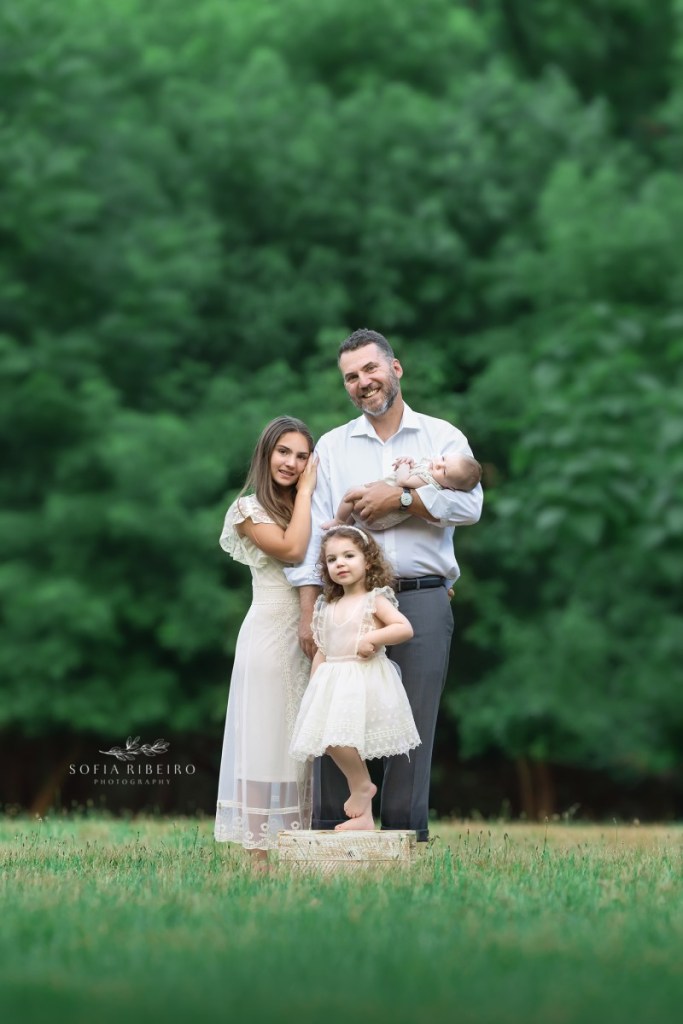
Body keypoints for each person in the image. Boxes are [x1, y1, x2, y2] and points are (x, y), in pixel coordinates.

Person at [285, 328, 483, 842]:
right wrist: (309, 615)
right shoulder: (333, 444)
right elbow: (313, 539)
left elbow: (471, 505)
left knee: (412, 727)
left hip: (421, 596)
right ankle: (333, 834)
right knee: (334, 712)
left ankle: (403, 838)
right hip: (344, 604)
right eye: (351, 377)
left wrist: (401, 501)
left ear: (395, 369)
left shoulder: (441, 437)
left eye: (370, 370)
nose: (362, 382)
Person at [215, 415, 317, 871]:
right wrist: (311, 491)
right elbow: (293, 550)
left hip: (314, 633)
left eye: (301, 456)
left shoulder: (310, 507)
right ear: (266, 453)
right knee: (265, 740)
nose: (292, 463)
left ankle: (304, 845)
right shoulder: (248, 511)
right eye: (284, 452)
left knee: (306, 741)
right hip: (270, 634)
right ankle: (259, 856)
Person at [290, 525, 419, 831]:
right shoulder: (327, 605)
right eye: (332, 559)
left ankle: (361, 785)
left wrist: (374, 637)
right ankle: (364, 817)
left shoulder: (375, 599)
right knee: (329, 738)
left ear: (368, 561)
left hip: (362, 680)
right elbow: (322, 648)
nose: (341, 563)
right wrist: (314, 684)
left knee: (340, 738)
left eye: (349, 555)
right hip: (332, 681)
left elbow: (404, 627)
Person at [326, 452, 482, 531]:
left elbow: (403, 481)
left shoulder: (428, 481)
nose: (438, 465)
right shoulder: (432, 475)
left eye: (444, 472)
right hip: (376, 516)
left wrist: (404, 464)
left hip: (378, 516)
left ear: (450, 487)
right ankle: (346, 523)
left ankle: (339, 520)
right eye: (442, 459)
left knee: (351, 493)